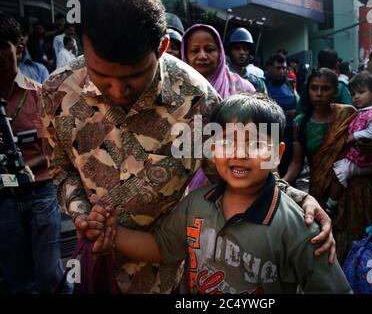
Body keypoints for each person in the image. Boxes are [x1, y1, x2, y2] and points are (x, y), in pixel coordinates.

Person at [39, 0, 335, 294]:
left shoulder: (197, 102)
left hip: (166, 272)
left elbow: (236, 171)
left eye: (133, 77)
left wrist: (295, 201)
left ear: (163, 47)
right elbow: (61, 167)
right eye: (101, 76)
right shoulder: (57, 92)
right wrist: (82, 215)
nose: (116, 91)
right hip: (92, 263)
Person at [91, 93, 352, 294]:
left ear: (277, 154)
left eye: (256, 144)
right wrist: (112, 234)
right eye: (227, 141)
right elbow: (161, 247)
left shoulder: (299, 226)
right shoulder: (195, 204)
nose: (239, 153)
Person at [0, 12, 68, 294]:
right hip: (3, 197)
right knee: (16, 278)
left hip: (40, 192)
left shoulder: (40, 94)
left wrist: (29, 163)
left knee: (50, 275)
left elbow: (58, 147)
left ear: (17, 48)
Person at [286, 68, 372, 262]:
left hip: (356, 190)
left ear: (335, 91)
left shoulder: (349, 114)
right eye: (314, 88)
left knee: (358, 249)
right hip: (322, 195)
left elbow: (370, 146)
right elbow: (297, 163)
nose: (319, 94)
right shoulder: (300, 123)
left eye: (325, 88)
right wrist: (281, 182)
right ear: (308, 90)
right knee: (327, 250)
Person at [325, 72, 372, 216]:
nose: (356, 96)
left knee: (338, 173)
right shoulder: (362, 112)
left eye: (361, 92)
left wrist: (354, 136)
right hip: (359, 158)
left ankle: (331, 205)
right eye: (353, 93)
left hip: (364, 161)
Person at [181, 24, 255, 99]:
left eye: (209, 50)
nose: (202, 56)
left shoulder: (245, 91)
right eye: (194, 51)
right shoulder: (174, 86)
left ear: (220, 53)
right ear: (185, 55)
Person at [265, 54, 299, 180]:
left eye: (284, 68)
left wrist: (296, 112)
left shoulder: (289, 84)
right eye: (278, 68)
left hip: (290, 135)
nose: (282, 71)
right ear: (269, 68)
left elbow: (298, 104)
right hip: (271, 135)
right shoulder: (263, 86)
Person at [226, 27, 267, 93]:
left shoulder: (257, 82)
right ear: (229, 52)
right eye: (237, 48)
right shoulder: (223, 78)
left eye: (245, 49)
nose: (242, 52)